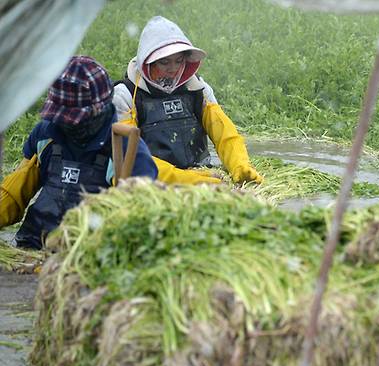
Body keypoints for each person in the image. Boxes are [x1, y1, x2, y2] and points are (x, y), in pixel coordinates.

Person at [0, 56, 158, 249]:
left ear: (101, 108)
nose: (68, 124)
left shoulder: (124, 148)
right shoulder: (46, 134)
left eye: (75, 118)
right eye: (63, 117)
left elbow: (140, 214)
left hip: (88, 251)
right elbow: (15, 191)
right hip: (33, 244)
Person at [113, 16, 262, 185]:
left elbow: (224, 134)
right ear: (148, 62)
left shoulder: (198, 89)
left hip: (202, 173)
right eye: (164, 62)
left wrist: (239, 165)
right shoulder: (125, 95)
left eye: (179, 61)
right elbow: (129, 156)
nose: (173, 69)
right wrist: (186, 180)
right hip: (152, 184)